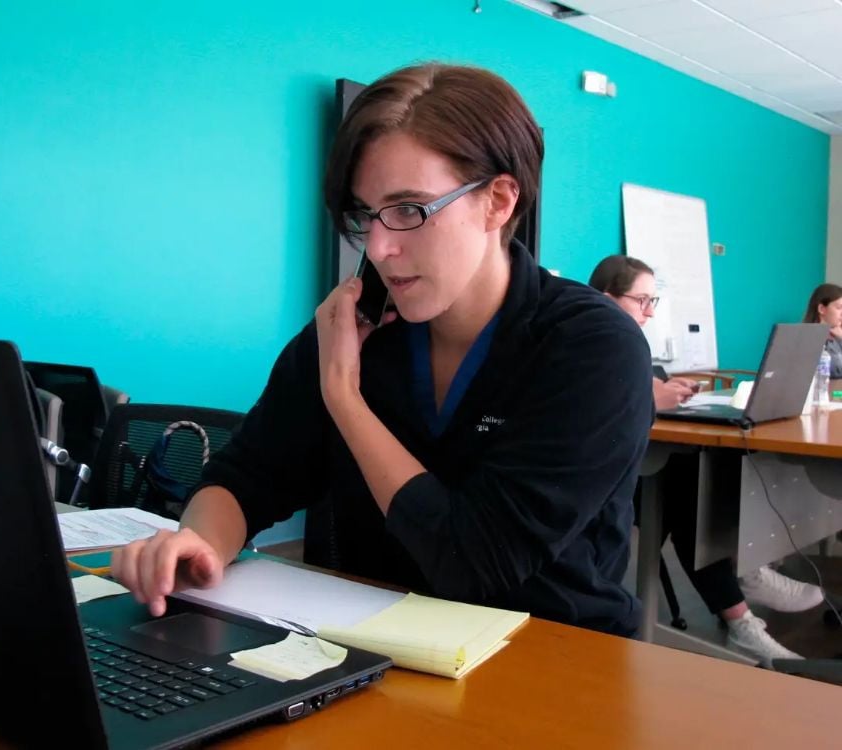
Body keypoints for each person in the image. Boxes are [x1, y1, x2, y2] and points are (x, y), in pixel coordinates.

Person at [112, 63, 655, 637]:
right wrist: (199, 542)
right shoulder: (358, 325)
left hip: (550, 658)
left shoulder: (593, 347)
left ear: (497, 201)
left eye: (408, 211)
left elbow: (471, 563)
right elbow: (249, 473)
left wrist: (345, 399)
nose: (378, 247)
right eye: (365, 215)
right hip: (366, 647)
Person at [590, 254, 824, 665]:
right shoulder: (585, 336)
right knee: (688, 491)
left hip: (634, 461)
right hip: (603, 474)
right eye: (639, 300)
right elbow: (591, 405)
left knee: (699, 474)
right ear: (605, 296)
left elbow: (631, 384)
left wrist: (662, 387)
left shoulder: (625, 338)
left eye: (652, 302)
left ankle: (743, 578)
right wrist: (647, 396)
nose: (648, 312)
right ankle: (740, 609)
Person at [803, 283, 842, 378]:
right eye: (839, 308)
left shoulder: (837, 334)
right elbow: (835, 369)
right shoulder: (808, 338)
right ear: (821, 309)